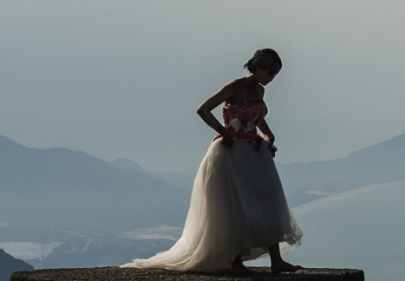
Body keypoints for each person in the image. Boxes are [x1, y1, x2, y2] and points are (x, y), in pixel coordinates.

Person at [128, 48, 302, 273]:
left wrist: (269, 136)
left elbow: (258, 119)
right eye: (270, 73)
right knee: (237, 205)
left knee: (268, 201)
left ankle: (276, 261)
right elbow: (204, 109)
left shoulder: (260, 90)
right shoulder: (234, 87)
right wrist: (224, 132)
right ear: (258, 68)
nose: (271, 79)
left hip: (255, 151)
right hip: (232, 153)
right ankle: (236, 261)